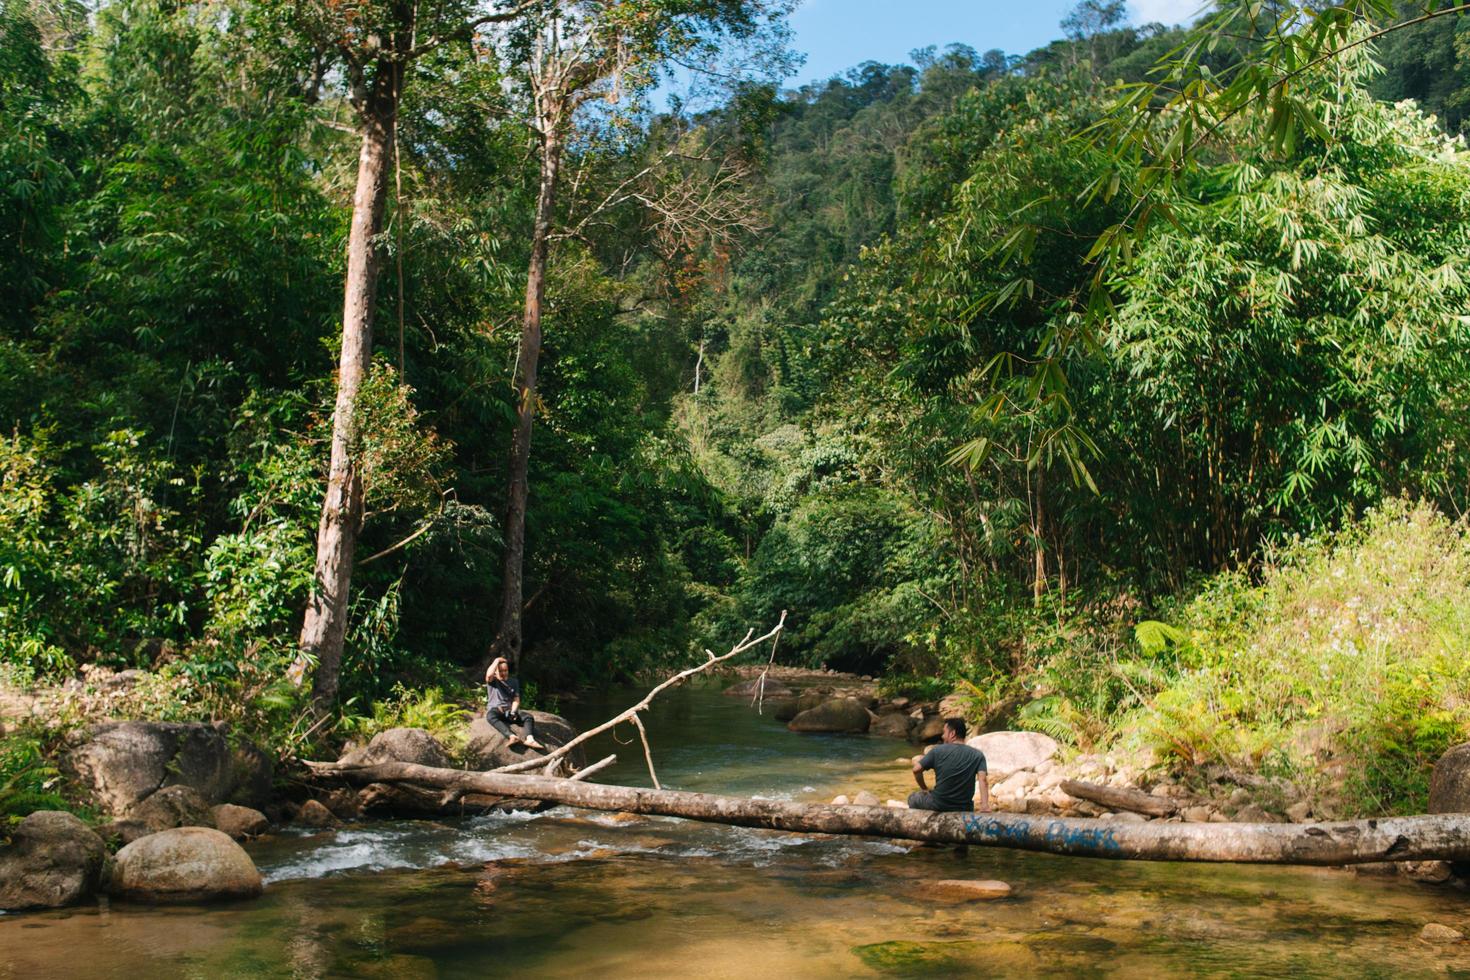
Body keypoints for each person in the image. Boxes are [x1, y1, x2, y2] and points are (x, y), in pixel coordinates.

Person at [909, 718, 990, 813]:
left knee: (912, 798)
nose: (942, 736)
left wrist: (924, 789)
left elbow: (916, 770)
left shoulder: (937, 751)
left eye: (944, 732)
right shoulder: (977, 755)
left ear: (952, 734)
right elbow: (983, 780)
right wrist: (984, 805)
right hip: (964, 808)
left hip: (939, 805)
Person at [485, 657, 544, 749]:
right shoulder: (493, 681)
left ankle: (530, 739)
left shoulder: (514, 682)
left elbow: (516, 699)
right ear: (496, 672)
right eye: (500, 671)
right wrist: (496, 660)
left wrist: (513, 711)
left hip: (509, 711)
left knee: (528, 717)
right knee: (490, 716)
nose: (504, 673)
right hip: (497, 710)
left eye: (505, 670)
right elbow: (489, 675)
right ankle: (512, 736)